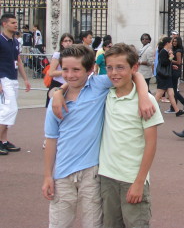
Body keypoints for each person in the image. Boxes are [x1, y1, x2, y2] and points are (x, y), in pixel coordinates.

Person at [42, 45, 155, 226]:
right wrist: (48, 175)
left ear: (90, 70)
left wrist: (143, 95)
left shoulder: (98, 84)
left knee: (93, 224)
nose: (70, 75)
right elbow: (51, 140)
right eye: (65, 70)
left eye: (76, 70)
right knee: (58, 223)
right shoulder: (57, 102)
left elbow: (133, 73)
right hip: (62, 173)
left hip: (92, 172)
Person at [99, 43, 164, 227]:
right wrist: (58, 92)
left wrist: (140, 181)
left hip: (132, 178)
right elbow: (75, 82)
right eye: (109, 68)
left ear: (134, 68)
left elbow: (151, 144)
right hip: (107, 176)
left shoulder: (146, 101)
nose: (114, 73)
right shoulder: (105, 93)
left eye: (120, 67)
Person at [0, 13, 31, 155]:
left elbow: (18, 60)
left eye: (16, 22)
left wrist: (25, 79)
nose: (16, 24)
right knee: (10, 110)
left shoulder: (15, 41)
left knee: (7, 111)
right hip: (3, 78)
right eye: (12, 22)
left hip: (13, 78)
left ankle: (4, 141)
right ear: (4, 24)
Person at [154, 37, 184, 117]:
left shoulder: (165, 52)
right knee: (159, 94)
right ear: (167, 43)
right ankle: (150, 108)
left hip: (167, 76)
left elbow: (166, 63)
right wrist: (171, 56)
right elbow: (164, 63)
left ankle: (177, 111)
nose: (172, 44)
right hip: (163, 76)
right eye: (171, 42)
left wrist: (172, 66)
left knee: (171, 94)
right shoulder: (163, 52)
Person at [45, 33, 74, 108]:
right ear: (62, 43)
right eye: (65, 41)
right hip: (58, 84)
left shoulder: (75, 55)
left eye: (70, 41)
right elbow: (51, 72)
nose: (68, 43)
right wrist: (65, 71)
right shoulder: (58, 55)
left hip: (69, 85)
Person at [165, 36, 184, 114]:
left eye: (176, 41)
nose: (174, 43)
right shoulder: (173, 50)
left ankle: (183, 102)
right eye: (173, 41)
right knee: (173, 89)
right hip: (173, 70)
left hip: (176, 71)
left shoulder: (178, 51)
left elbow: (179, 62)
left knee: (173, 90)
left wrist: (170, 60)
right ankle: (174, 106)